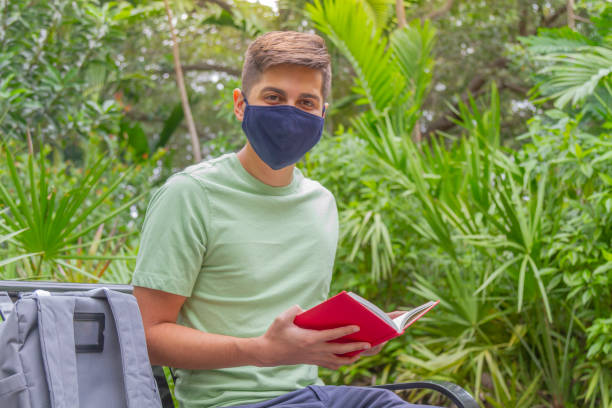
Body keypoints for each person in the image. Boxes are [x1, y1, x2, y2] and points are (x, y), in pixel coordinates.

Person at [132, 31, 440, 408]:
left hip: (314, 395)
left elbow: (296, 331)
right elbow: (146, 337)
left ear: (322, 114)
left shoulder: (321, 203)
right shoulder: (190, 195)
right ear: (241, 104)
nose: (290, 113)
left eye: (306, 102)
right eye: (274, 97)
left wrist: (353, 336)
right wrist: (261, 351)